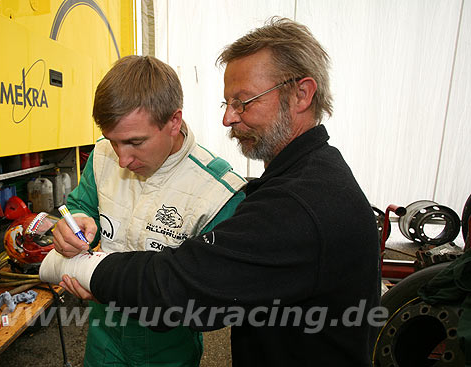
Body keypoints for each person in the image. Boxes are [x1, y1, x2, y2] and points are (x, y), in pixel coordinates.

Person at [55, 18, 381, 366]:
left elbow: (184, 287)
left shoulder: (299, 203)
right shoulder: (303, 177)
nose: (228, 118)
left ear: (301, 94)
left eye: (243, 102)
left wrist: (96, 275)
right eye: (226, 103)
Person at [51, 55, 247, 366]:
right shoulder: (102, 155)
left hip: (167, 349)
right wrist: (75, 221)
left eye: (135, 142)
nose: (122, 160)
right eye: (114, 142)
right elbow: (79, 206)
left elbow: (214, 297)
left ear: (173, 121)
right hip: (104, 337)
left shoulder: (219, 193)